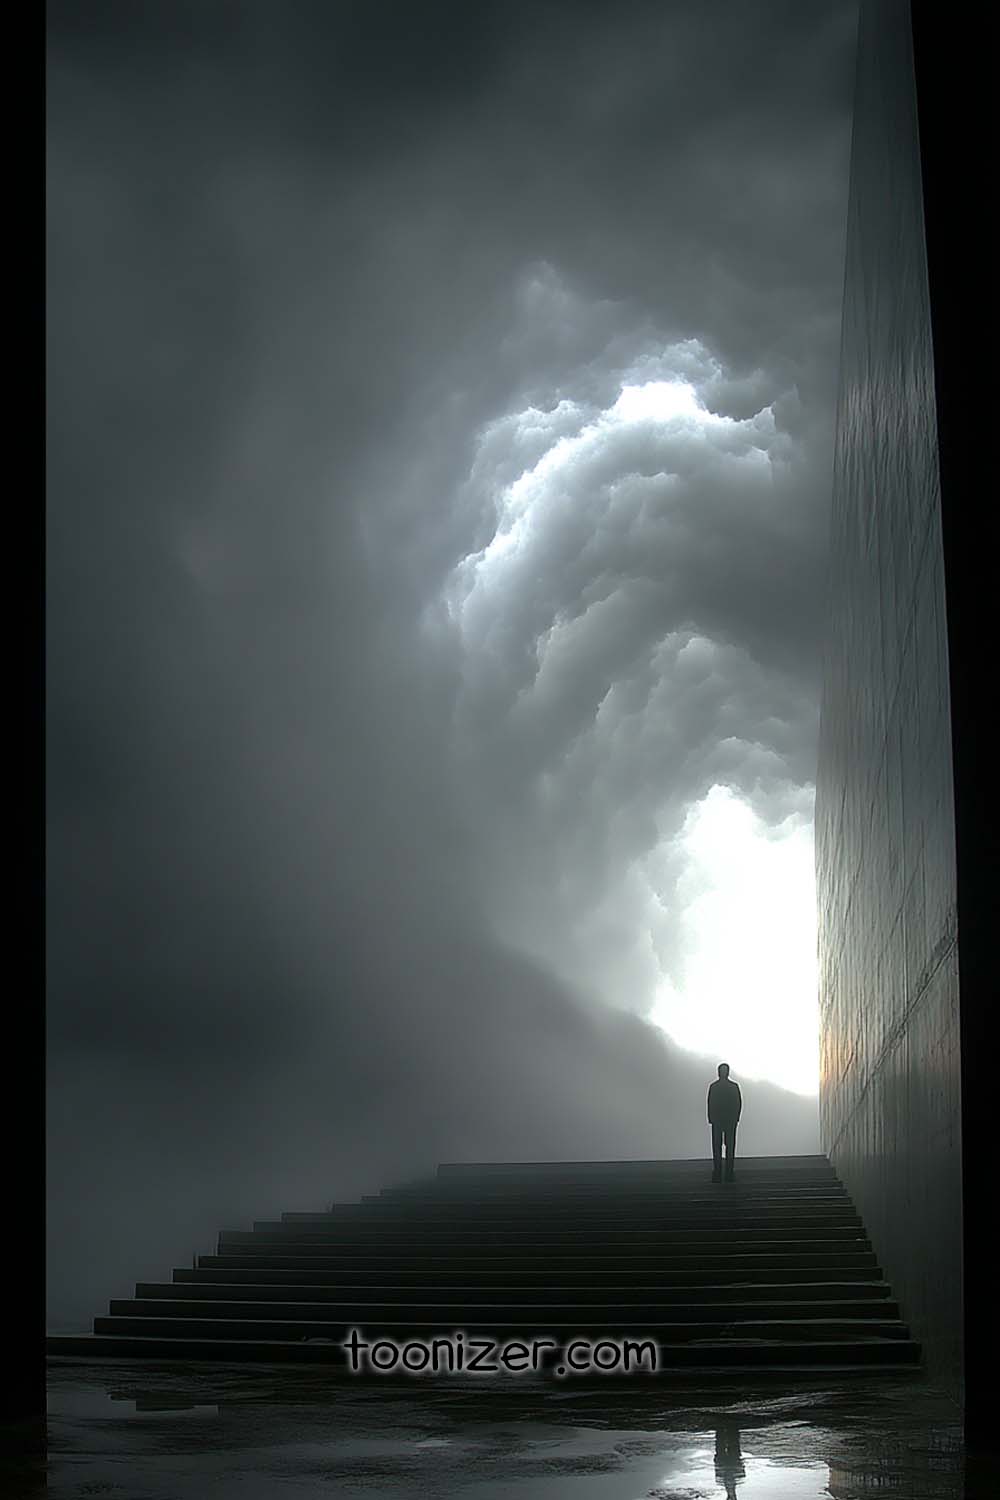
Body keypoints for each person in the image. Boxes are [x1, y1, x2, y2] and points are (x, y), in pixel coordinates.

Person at [707, 1063, 741, 1182]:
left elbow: (710, 1103)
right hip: (730, 1121)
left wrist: (711, 1118)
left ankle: (717, 1173)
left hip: (717, 1121)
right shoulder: (734, 1086)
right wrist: (736, 1118)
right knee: (730, 1146)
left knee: (717, 1147)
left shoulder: (714, 1086)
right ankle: (729, 1173)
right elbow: (738, 1104)